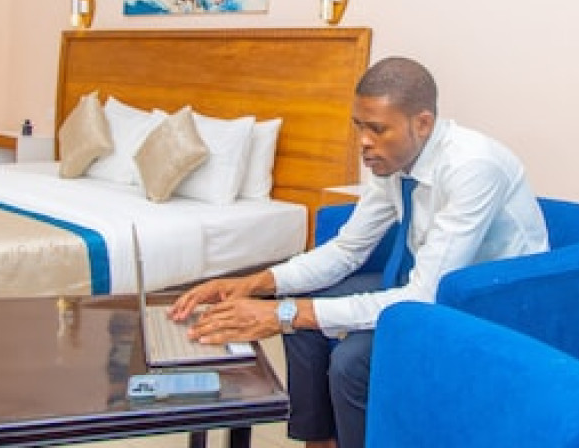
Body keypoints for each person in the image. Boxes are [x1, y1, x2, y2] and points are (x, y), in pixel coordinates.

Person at [169, 56, 549, 448]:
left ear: (422, 123)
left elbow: (425, 296)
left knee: (351, 361)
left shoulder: (473, 167)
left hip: (491, 301)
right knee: (301, 314)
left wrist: (285, 313)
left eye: (377, 129)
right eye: (359, 126)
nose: (364, 141)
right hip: (429, 281)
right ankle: (319, 442)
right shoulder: (393, 161)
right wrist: (253, 284)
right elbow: (346, 250)